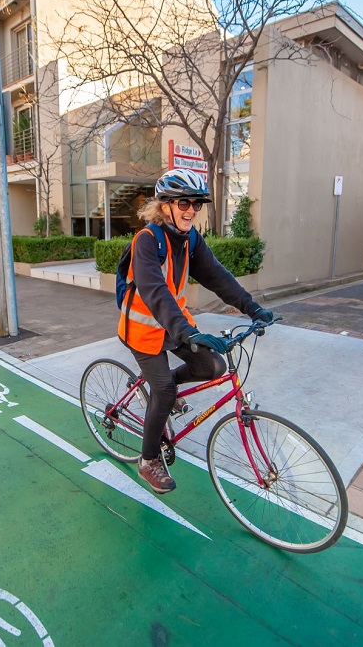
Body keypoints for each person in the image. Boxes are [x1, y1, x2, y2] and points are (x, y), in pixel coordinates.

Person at [119, 169, 273, 495]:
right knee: (162, 390)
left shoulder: (190, 239)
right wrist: (186, 331)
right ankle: (148, 460)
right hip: (143, 330)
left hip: (173, 324)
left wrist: (252, 308)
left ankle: (165, 393)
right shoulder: (146, 240)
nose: (191, 209)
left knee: (212, 366)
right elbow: (153, 289)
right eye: (184, 202)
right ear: (165, 206)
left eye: (197, 204)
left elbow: (217, 276)